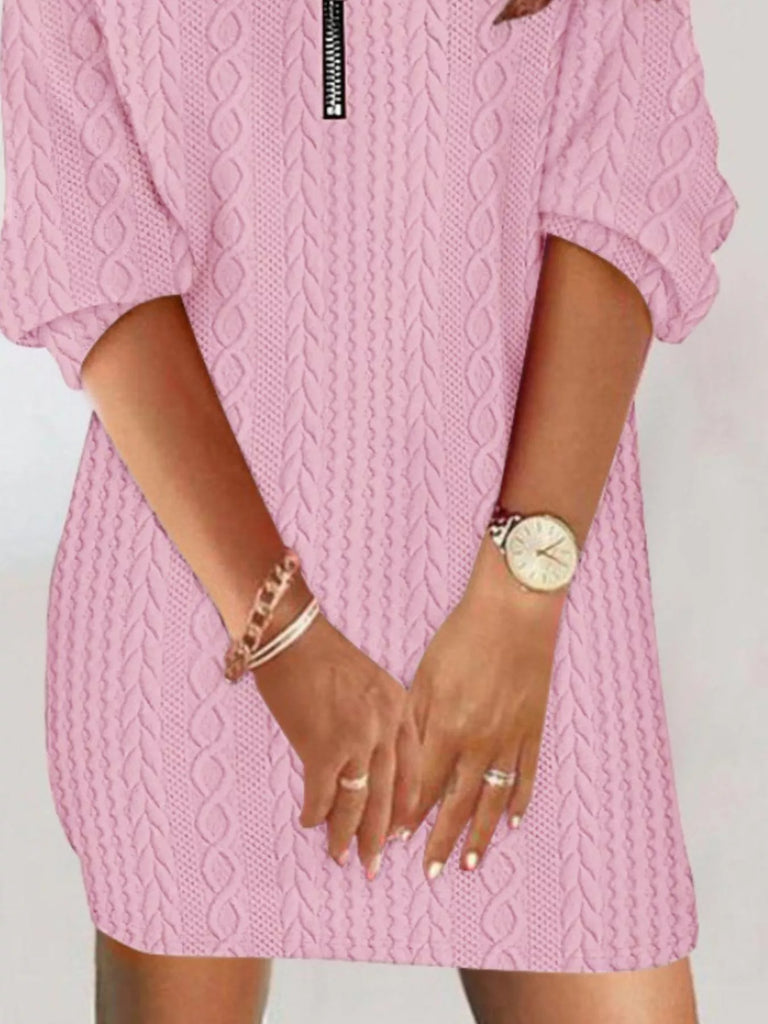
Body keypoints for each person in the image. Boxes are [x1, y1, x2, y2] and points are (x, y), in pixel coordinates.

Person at [0, 0, 738, 1021]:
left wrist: (521, 596)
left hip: (534, 626)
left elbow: (625, 184)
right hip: (201, 617)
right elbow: (94, 260)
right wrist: (283, 635)